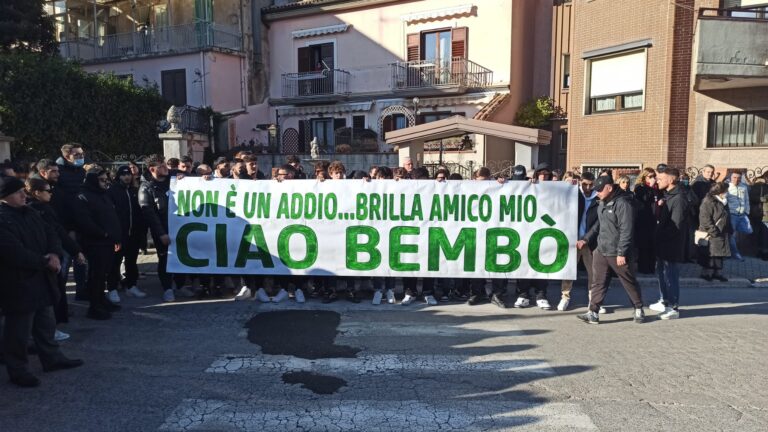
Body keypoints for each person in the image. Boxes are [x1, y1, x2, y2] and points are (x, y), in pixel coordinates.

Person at [0, 176, 83, 387]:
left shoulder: (31, 212)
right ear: (4, 196)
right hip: (18, 282)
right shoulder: (3, 218)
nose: (23, 195)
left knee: (45, 322)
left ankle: (52, 357)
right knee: (18, 330)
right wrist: (44, 261)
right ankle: (18, 369)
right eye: (17, 192)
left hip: (41, 278)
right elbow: (12, 252)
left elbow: (51, 233)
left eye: (22, 191)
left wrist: (55, 254)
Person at [577, 176, 645, 324]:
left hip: (617, 252)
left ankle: (638, 308)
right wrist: (586, 239)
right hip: (601, 249)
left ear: (609, 188)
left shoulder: (623, 204)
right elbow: (598, 225)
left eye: (600, 190)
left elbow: (626, 230)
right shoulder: (602, 203)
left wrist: (622, 252)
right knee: (598, 282)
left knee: (628, 280)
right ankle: (593, 312)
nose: (598, 193)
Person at [25, 178, 85, 341]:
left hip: (51, 254)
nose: (51, 193)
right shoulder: (35, 210)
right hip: (44, 258)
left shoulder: (43, 208)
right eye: (47, 191)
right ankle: (48, 330)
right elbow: (55, 231)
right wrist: (75, 250)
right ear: (36, 193)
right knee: (51, 293)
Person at [139, 155, 192, 302]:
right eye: (161, 166)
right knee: (165, 259)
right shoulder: (146, 188)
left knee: (182, 256)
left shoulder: (174, 178)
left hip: (180, 227)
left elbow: (193, 179)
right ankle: (167, 288)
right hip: (162, 229)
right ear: (152, 169)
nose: (166, 168)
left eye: (165, 165)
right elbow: (149, 213)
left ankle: (180, 286)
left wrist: (187, 176)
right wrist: (161, 233)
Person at [73, 168, 123, 320]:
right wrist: (104, 234)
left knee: (103, 274)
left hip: (108, 242)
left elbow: (111, 216)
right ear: (93, 181)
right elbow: (85, 222)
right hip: (95, 243)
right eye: (102, 180)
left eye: (106, 179)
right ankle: (95, 307)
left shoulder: (103, 194)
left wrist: (115, 237)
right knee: (96, 275)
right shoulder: (83, 196)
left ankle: (101, 300)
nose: (105, 182)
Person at [651, 168, 689, 320]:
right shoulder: (668, 195)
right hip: (662, 243)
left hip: (671, 245)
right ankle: (665, 301)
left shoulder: (678, 198)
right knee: (661, 273)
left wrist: (660, 237)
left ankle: (673, 307)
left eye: (660, 178)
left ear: (671, 180)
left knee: (671, 275)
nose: (657, 181)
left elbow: (676, 225)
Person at [559, 172, 598, 311]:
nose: (588, 187)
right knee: (568, 271)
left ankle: (593, 300)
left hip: (590, 242)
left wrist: (587, 238)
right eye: (585, 184)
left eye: (590, 184)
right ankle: (565, 297)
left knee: (593, 273)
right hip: (572, 240)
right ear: (581, 182)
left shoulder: (598, 198)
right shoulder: (574, 194)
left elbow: (598, 222)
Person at [106, 165, 147, 300]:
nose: (127, 177)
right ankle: (112, 288)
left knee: (131, 262)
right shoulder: (112, 191)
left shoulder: (136, 190)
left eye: (128, 174)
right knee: (115, 263)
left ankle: (131, 286)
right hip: (119, 234)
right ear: (118, 176)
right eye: (123, 175)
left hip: (134, 233)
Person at [514, 163, 552, 310]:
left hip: (543, 230)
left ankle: (541, 295)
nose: (543, 176)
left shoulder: (555, 188)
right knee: (524, 264)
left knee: (542, 264)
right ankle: (523, 294)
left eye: (546, 174)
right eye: (541, 173)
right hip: (525, 231)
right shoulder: (527, 186)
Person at [55, 144, 89, 300]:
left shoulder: (81, 171)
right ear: (66, 156)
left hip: (81, 222)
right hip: (66, 225)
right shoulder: (59, 173)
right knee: (65, 263)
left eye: (82, 154)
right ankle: (60, 301)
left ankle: (81, 292)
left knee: (82, 261)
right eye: (77, 155)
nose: (81, 157)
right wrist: (68, 227)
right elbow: (61, 203)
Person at [698, 182, 732, 282]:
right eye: (726, 191)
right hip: (711, 233)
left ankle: (717, 273)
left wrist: (730, 229)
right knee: (710, 254)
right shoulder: (708, 201)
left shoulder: (723, 201)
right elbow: (705, 219)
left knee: (719, 255)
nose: (727, 192)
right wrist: (714, 231)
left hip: (722, 232)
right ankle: (706, 273)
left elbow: (726, 216)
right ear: (720, 191)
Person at [632, 168, 661, 274]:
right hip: (644, 220)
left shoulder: (655, 188)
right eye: (650, 176)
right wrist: (651, 187)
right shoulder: (640, 187)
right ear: (644, 178)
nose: (653, 179)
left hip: (654, 219)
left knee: (652, 244)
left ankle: (651, 267)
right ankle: (644, 267)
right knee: (644, 245)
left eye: (654, 176)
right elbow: (645, 199)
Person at [726, 171, 751, 261]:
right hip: (732, 215)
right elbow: (724, 201)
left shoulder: (743, 187)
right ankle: (735, 254)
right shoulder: (727, 187)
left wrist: (747, 211)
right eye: (734, 177)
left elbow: (747, 200)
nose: (737, 179)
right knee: (732, 235)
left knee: (748, 231)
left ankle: (734, 250)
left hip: (742, 214)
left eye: (739, 178)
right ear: (731, 178)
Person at [748, 172, 768, 260]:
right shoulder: (758, 186)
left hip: (763, 214)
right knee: (762, 234)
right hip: (760, 213)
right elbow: (752, 197)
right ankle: (761, 252)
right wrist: (763, 198)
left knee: (764, 234)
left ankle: (762, 252)